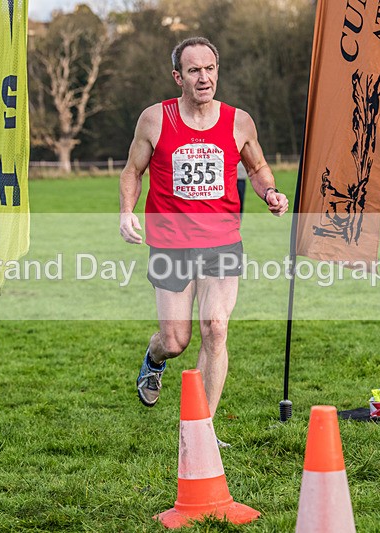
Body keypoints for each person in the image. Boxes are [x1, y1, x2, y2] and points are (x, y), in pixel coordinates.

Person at [119, 37, 288, 428]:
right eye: (194, 70)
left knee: (215, 328)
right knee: (176, 341)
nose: (204, 77)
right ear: (178, 76)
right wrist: (127, 212)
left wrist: (271, 192)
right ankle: (155, 357)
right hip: (170, 243)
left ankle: (202, 431)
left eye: (210, 68)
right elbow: (132, 170)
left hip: (221, 239)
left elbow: (257, 167)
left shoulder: (238, 121)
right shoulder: (155, 119)